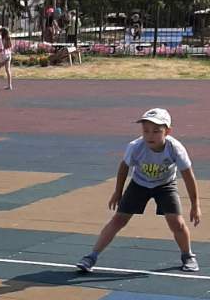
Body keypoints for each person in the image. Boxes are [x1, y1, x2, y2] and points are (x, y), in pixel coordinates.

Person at [76, 110, 201, 274]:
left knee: (176, 222)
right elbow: (124, 167)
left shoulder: (175, 148)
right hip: (139, 184)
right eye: (146, 131)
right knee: (118, 219)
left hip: (165, 185)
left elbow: (188, 176)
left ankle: (188, 256)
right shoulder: (135, 146)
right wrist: (118, 192)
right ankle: (91, 257)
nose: (150, 135)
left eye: (156, 131)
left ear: (168, 131)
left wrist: (195, 205)